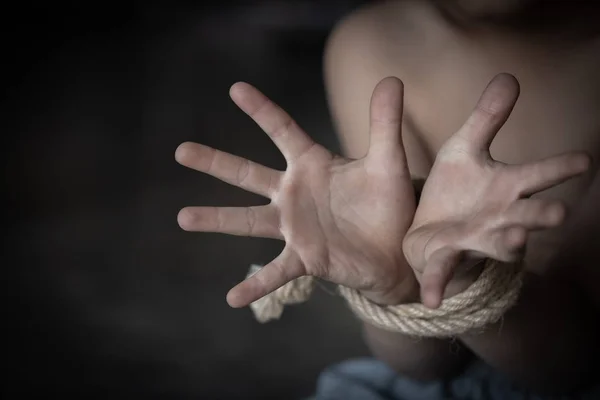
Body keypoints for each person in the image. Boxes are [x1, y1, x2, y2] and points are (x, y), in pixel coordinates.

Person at [175, 0, 600, 398]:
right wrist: (395, 291)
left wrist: (470, 282)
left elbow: (575, 368)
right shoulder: (379, 43)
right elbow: (424, 367)